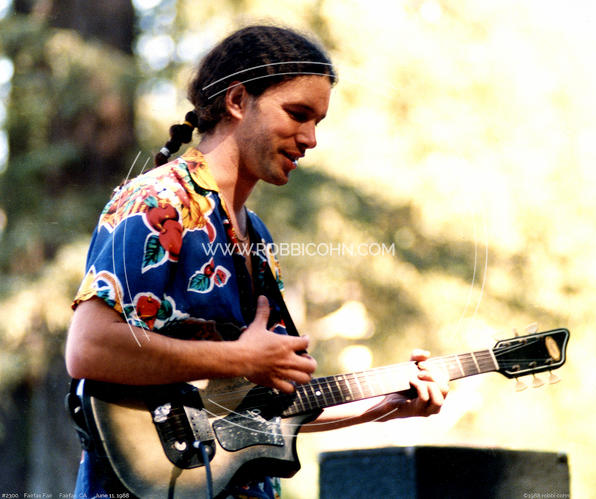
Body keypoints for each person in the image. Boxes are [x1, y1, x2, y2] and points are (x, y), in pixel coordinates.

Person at [65, 24, 449, 499]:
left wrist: (387, 404)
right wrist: (240, 357)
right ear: (237, 100)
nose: (311, 138)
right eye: (298, 114)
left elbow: (268, 404)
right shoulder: (158, 201)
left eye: (318, 122)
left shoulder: (256, 236)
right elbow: (87, 347)